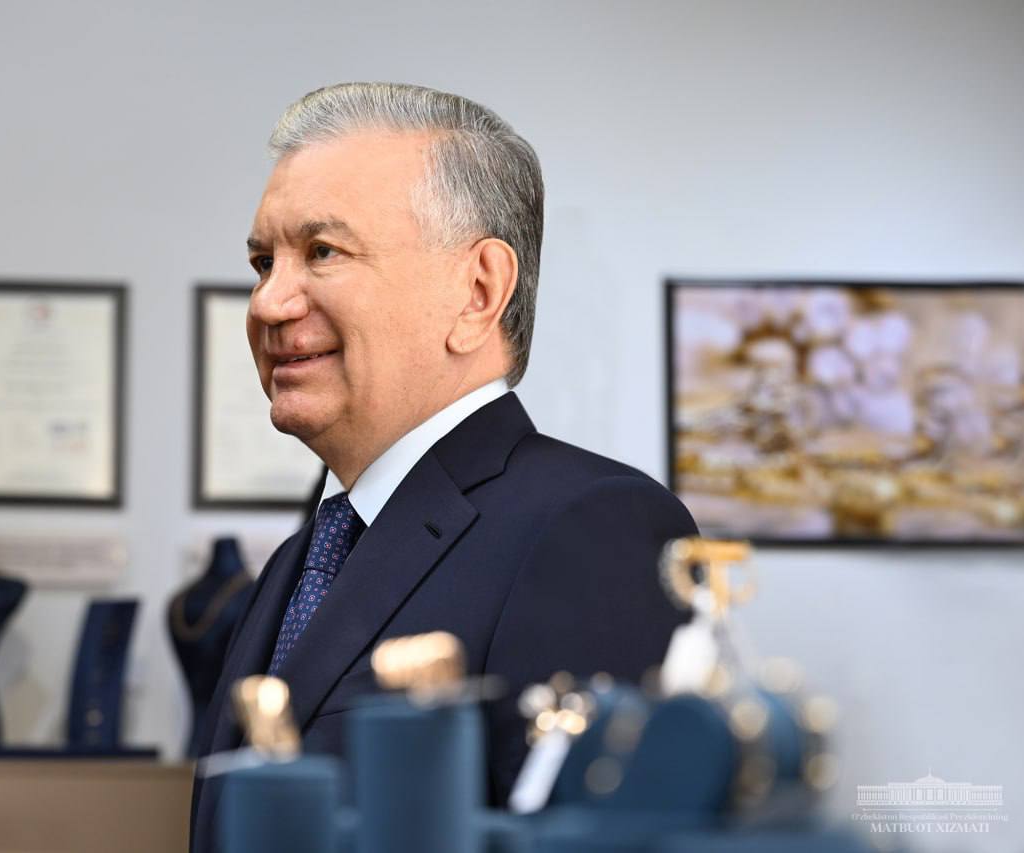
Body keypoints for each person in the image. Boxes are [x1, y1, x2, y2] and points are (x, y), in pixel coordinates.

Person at [190, 82, 696, 852]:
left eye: (322, 252)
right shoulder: (306, 555)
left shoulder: (594, 528)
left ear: (477, 292)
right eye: (264, 261)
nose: (267, 303)